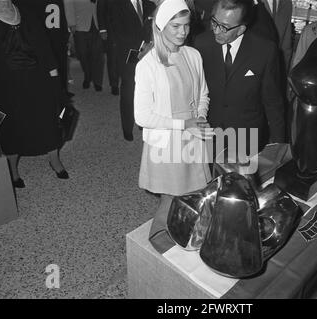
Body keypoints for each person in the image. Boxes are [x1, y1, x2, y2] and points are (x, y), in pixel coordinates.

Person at [134, 0, 212, 236]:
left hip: (193, 137)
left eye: (186, 26)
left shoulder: (193, 55)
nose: (183, 32)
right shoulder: (148, 64)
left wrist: (199, 117)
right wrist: (184, 124)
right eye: (175, 26)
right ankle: (154, 249)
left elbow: (203, 94)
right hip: (167, 142)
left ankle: (186, 240)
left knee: (197, 197)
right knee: (170, 200)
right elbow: (142, 116)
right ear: (160, 26)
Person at [0, 0, 68, 188]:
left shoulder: (26, 10)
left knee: (47, 121)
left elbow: (44, 46)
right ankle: (13, 170)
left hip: (38, 79)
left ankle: (54, 160)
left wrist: (55, 78)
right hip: (5, 86)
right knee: (12, 129)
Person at [194, 0, 286, 159]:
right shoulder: (201, 44)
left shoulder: (265, 51)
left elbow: (273, 102)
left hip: (246, 137)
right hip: (208, 133)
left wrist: (278, 146)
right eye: (214, 22)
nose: (216, 30)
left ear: (241, 29)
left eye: (224, 27)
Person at [97, 0, 155, 141]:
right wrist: (137, 50)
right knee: (129, 89)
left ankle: (142, 121)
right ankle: (127, 127)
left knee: (146, 89)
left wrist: (149, 46)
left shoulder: (150, 5)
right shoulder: (117, 4)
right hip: (128, 53)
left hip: (148, 53)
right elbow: (117, 32)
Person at [64, 0, 104, 91]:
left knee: (97, 55)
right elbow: (68, 4)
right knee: (82, 54)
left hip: (97, 24)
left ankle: (97, 81)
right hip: (79, 25)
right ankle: (87, 74)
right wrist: (71, 23)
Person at [260, 0, 293, 70]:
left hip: (274, 69)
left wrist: (283, 72)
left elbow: (286, 41)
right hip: (248, 66)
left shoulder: (287, 3)